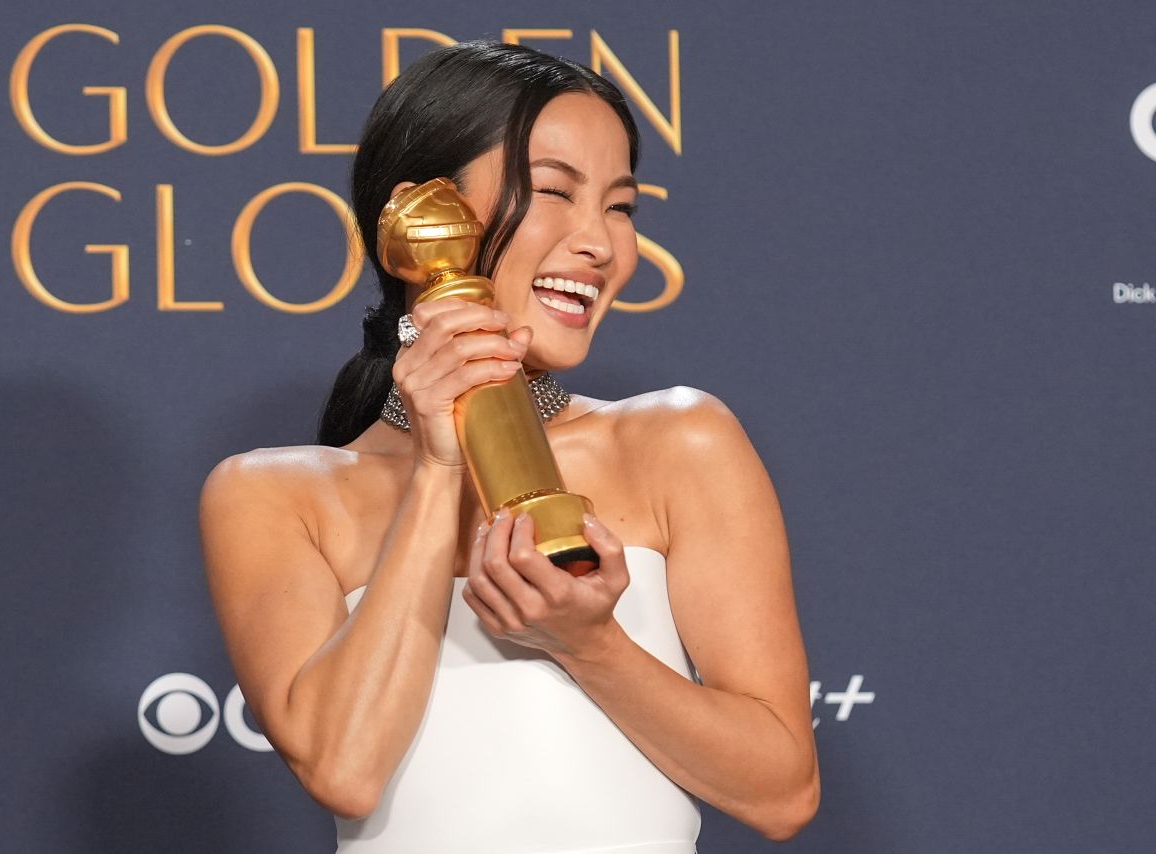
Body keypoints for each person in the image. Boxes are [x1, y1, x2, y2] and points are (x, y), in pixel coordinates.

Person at [200, 41, 819, 853]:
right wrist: (436, 468)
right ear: (421, 218)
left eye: (622, 206)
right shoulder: (273, 497)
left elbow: (783, 792)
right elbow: (345, 769)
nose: (601, 243)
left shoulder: (680, 442)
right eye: (556, 193)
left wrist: (590, 645)